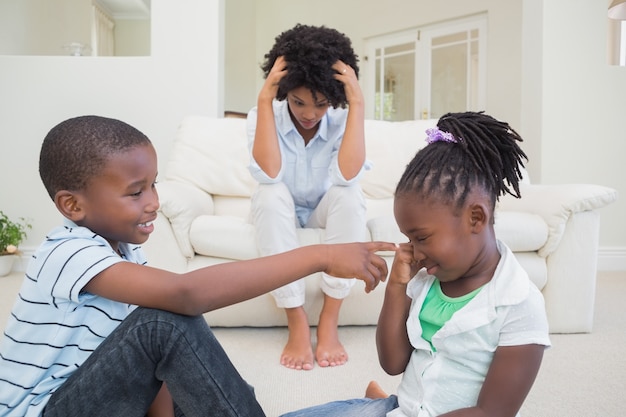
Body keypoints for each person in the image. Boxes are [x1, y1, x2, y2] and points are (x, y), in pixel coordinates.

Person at [0, 115, 396, 417]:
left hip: (105, 401)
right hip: (45, 410)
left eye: (154, 185)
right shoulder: (65, 251)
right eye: (136, 192)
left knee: (226, 395)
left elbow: (155, 363)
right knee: (167, 320)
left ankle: (380, 410)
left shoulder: (123, 252)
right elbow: (184, 297)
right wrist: (321, 256)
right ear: (73, 205)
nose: (153, 201)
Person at [279, 111, 552, 417]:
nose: (413, 252)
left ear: (475, 218)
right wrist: (397, 287)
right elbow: (393, 363)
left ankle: (378, 402)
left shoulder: (520, 305)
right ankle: (381, 402)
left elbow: (493, 413)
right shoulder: (426, 282)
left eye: (421, 238)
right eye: (409, 238)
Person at [246, 24, 368, 371]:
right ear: (284, 90)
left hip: (321, 211)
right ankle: (297, 321)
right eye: (298, 101)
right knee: (269, 194)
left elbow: (347, 176)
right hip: (278, 210)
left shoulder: (344, 116)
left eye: (321, 104)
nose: (310, 113)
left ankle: (329, 319)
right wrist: (264, 99)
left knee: (349, 194)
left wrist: (356, 102)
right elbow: (269, 175)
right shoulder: (263, 115)